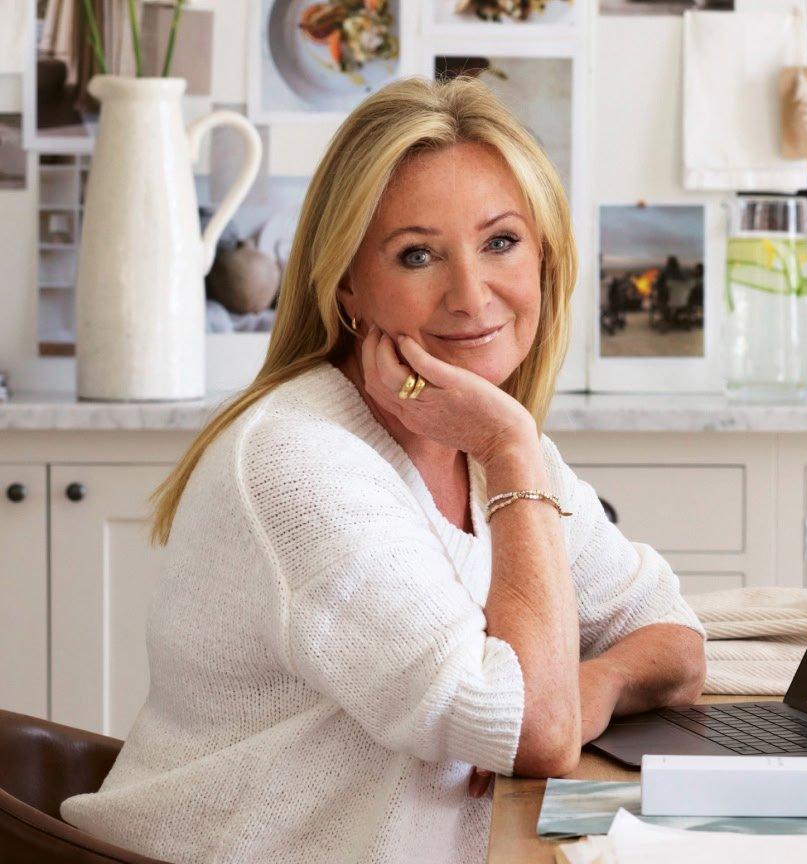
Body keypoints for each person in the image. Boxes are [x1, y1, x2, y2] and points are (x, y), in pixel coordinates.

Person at [59, 74, 706, 864]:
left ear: (543, 257)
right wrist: (509, 452)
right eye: (417, 254)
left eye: (500, 241)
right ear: (348, 287)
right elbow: (535, 731)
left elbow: (674, 642)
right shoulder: (302, 463)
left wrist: (592, 686)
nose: (471, 296)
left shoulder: (487, 440)